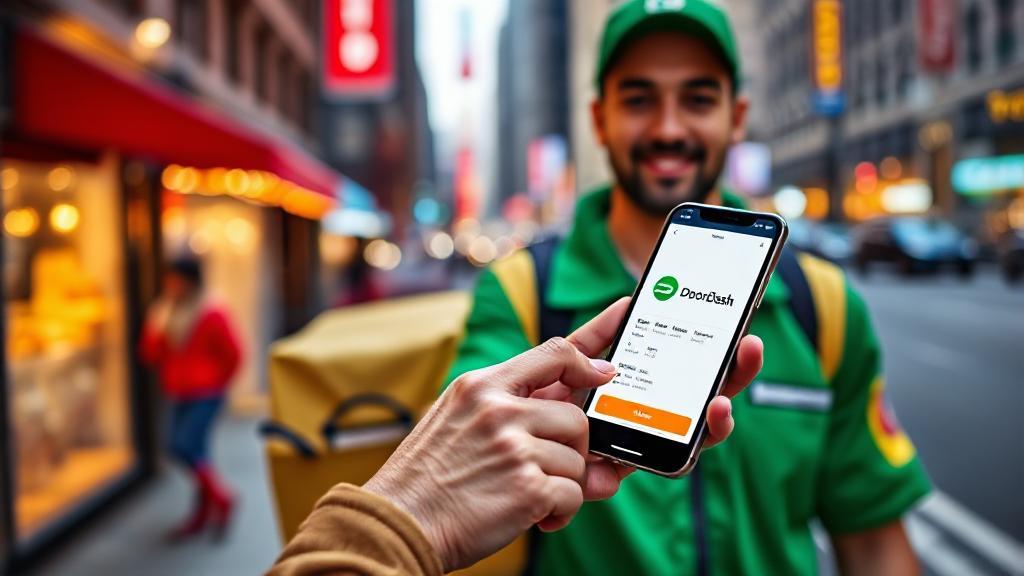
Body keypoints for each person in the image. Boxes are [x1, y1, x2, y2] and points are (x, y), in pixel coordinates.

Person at [444, 1, 931, 574]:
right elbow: (464, 468)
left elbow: (873, 539)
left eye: (698, 99)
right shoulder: (519, 290)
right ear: (599, 120)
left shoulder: (824, 303)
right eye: (639, 100)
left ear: (737, 116)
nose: (669, 129)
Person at [268, 299, 764, 575]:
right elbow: (475, 403)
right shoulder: (518, 282)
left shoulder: (810, 294)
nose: (669, 142)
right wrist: (419, 509)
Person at [139, 256, 242, 541]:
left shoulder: (211, 311)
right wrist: (157, 329)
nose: (171, 285)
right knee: (198, 452)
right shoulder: (164, 312)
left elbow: (234, 353)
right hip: (179, 391)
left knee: (182, 445)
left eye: (176, 279)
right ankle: (202, 514)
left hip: (206, 393)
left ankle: (222, 498)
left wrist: (217, 382)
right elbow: (150, 355)